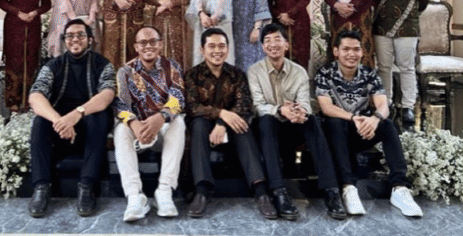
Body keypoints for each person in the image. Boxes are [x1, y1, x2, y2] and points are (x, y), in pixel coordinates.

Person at [314, 30, 423, 217]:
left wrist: (374, 119)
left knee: (387, 125)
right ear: (336, 51)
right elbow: (326, 107)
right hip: (336, 135)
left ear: (362, 52)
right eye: (346, 49)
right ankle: (348, 187)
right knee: (334, 122)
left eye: (356, 49)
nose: (351, 54)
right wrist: (353, 118)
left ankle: (400, 188)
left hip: (362, 131)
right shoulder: (325, 73)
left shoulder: (369, 74)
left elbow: (383, 105)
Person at [247, 23, 346, 221]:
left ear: (286, 45)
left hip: (292, 127)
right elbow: (257, 106)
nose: (273, 44)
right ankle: (279, 192)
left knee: (312, 121)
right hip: (268, 130)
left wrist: (299, 112)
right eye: (268, 41)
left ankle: (331, 191)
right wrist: (280, 110)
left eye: (278, 39)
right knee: (266, 121)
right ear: (263, 47)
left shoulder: (299, 72)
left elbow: (305, 103)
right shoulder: (254, 71)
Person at [27, 19, 115, 218]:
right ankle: (41, 187)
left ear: (90, 39)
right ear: (64, 40)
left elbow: (107, 95)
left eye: (81, 35)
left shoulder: (103, 64)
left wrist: (76, 115)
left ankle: (87, 186)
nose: (75, 39)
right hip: (61, 129)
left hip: (90, 127)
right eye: (70, 36)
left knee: (99, 117)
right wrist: (59, 120)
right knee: (40, 122)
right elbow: (35, 96)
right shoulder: (53, 65)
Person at [185, 28, 276, 220]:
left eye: (222, 46)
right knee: (198, 124)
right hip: (203, 124)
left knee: (241, 125)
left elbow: (243, 104)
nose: (217, 51)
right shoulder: (192, 75)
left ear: (227, 49)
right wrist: (221, 113)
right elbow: (193, 107)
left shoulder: (237, 74)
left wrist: (222, 123)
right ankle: (202, 190)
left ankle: (260, 191)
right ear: (202, 50)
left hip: (229, 126)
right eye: (212, 46)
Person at [113, 25, 185, 222]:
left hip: (162, 129)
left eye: (153, 41)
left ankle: (164, 191)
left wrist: (160, 117)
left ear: (160, 44)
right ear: (136, 47)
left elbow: (178, 98)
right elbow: (121, 105)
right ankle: (135, 196)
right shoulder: (125, 71)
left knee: (179, 123)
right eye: (143, 42)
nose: (148, 46)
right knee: (120, 130)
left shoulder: (172, 67)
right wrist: (135, 124)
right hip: (137, 132)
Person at [373, 0, 429, 130]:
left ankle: (407, 107)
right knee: (384, 67)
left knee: (407, 67)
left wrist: (408, 16)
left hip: (407, 28)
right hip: (381, 26)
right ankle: (385, 104)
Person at [0, 0, 51, 112]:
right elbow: (1, 1)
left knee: (31, 60)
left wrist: (35, 12)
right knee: (14, 60)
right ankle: (12, 102)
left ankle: (29, 100)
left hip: (33, 24)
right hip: (14, 24)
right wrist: (18, 13)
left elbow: (47, 4)